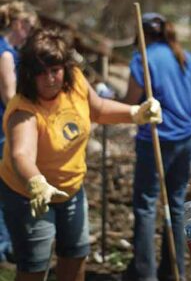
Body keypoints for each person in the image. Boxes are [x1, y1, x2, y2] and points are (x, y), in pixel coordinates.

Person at [0, 28, 162, 281]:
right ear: (29, 74)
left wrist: (135, 114)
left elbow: (97, 109)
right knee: (35, 265)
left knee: (75, 254)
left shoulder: (74, 80)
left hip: (72, 189)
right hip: (29, 196)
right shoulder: (24, 108)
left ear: (64, 67)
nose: (50, 78)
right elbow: (21, 154)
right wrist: (36, 183)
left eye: (55, 70)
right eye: (41, 72)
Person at [123, 12, 191, 281]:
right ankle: (174, 271)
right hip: (188, 137)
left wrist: (108, 99)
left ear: (143, 34)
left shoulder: (144, 59)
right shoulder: (186, 57)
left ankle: (145, 274)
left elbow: (131, 103)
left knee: (146, 205)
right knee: (177, 202)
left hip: (159, 138)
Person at [0, 0, 39, 262]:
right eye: (30, 28)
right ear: (19, 24)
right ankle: (4, 246)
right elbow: (9, 96)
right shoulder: (5, 53)